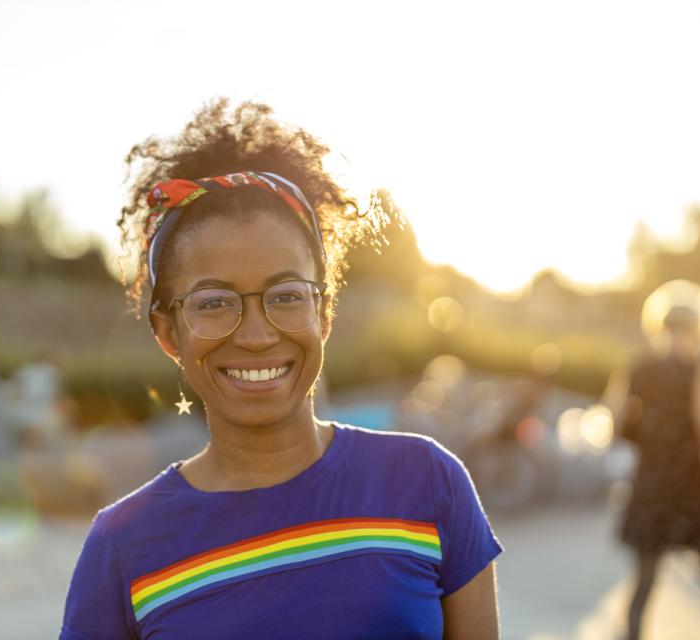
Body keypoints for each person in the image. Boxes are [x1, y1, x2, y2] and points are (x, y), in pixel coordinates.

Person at [60, 99, 503, 639]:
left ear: (325, 310)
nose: (256, 335)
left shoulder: (429, 484)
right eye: (215, 302)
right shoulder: (123, 546)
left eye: (287, 295)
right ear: (169, 332)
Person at [614, 303, 700, 640]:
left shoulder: (639, 368)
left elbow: (618, 421)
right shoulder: (696, 369)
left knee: (644, 582)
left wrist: (648, 439)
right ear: (696, 330)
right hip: (690, 485)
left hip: (651, 483)